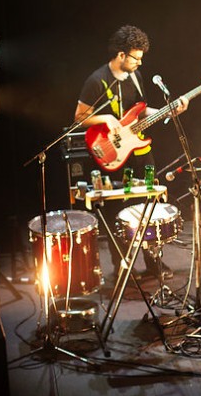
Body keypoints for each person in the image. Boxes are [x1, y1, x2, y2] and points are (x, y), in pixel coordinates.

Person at [74, 25, 188, 281]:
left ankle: (153, 262)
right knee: (121, 209)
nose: (139, 62)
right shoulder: (97, 80)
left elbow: (141, 110)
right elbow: (80, 117)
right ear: (121, 55)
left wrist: (167, 111)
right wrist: (106, 117)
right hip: (114, 150)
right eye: (135, 57)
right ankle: (122, 266)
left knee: (148, 203)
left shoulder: (136, 77)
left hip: (140, 150)